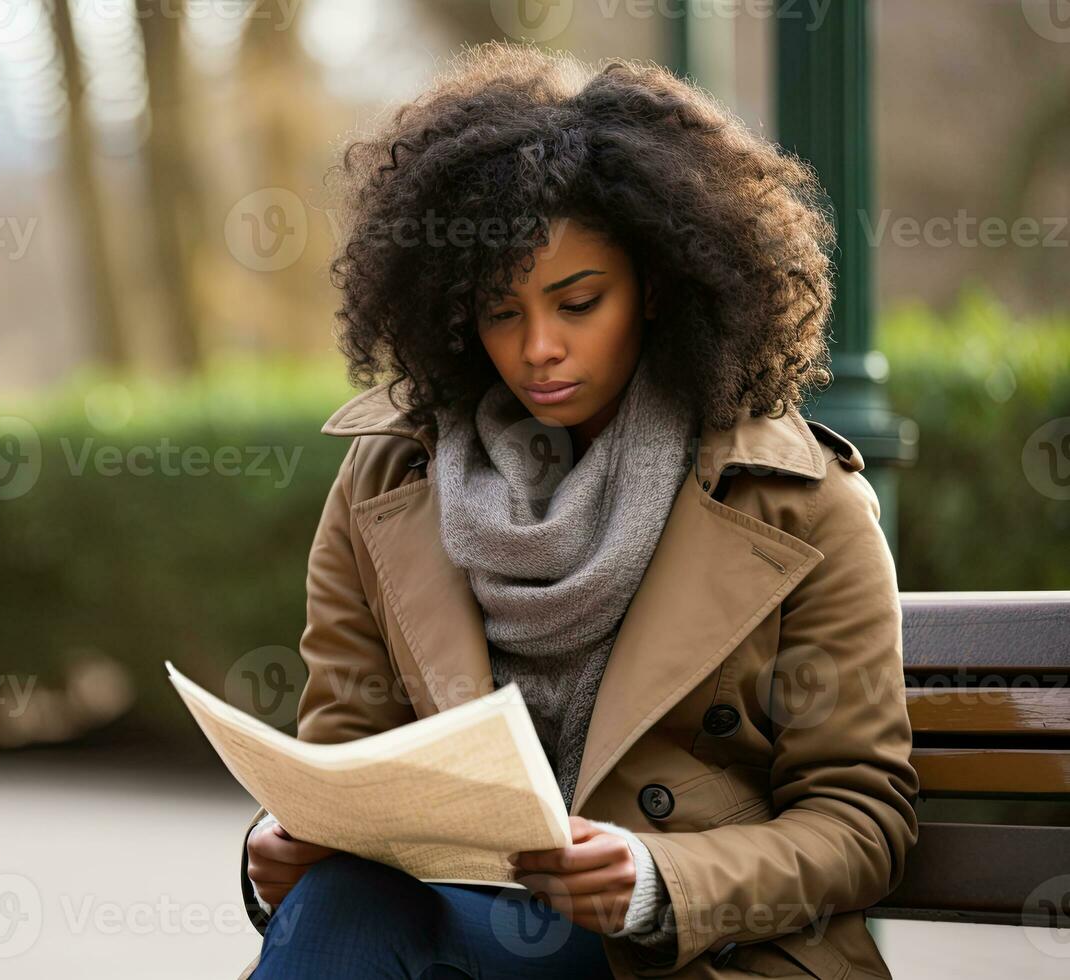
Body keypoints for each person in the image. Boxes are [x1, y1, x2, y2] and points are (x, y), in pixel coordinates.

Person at [236, 42, 919, 980]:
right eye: (500, 312)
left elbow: (861, 822)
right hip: (464, 931)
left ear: (659, 287)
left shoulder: (803, 506)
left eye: (579, 301)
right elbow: (344, 762)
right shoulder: (385, 483)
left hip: (690, 954)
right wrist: (281, 844)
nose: (540, 348)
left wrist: (655, 880)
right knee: (338, 900)